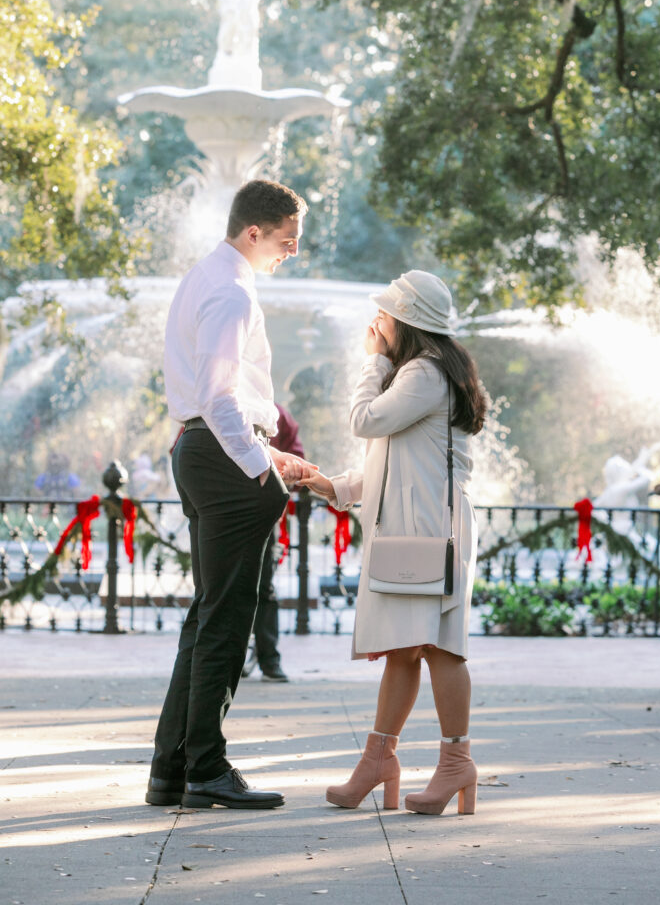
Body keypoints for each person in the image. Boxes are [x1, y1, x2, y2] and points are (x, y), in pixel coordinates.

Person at [146, 179, 313, 812]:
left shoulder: (203, 277)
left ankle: (173, 767)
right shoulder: (233, 291)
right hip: (223, 461)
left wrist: (274, 458)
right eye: (287, 240)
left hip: (207, 452)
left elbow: (216, 402)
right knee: (226, 620)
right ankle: (206, 769)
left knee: (208, 615)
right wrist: (258, 468)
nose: (292, 252)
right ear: (254, 233)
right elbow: (219, 397)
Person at [298, 270, 487, 816]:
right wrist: (336, 487)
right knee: (403, 649)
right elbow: (389, 457)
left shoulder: (423, 374)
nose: (374, 323)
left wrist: (373, 361)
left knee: (438, 646)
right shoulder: (424, 374)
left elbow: (364, 421)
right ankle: (379, 759)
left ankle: (456, 762)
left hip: (430, 528)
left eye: (384, 314)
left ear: (406, 321)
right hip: (413, 525)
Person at [249, 402, 305, 682]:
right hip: (222, 506)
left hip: (261, 511)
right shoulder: (210, 402)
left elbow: (295, 456)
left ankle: (268, 657)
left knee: (264, 586)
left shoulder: (276, 412)